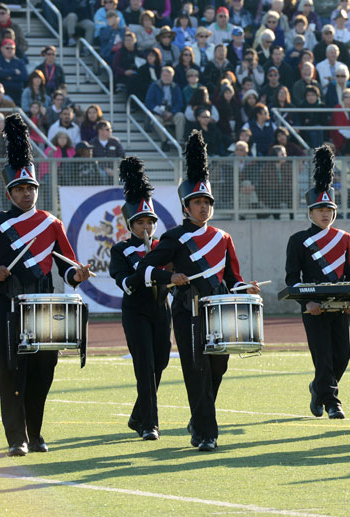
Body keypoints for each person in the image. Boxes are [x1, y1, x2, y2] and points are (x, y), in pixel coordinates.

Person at [136, 131, 259, 451]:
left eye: (207, 202)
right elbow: (145, 268)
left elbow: (233, 278)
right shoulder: (174, 237)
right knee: (195, 368)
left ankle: (199, 417)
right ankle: (206, 432)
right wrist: (170, 277)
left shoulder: (223, 238)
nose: (203, 207)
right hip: (188, 309)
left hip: (219, 310)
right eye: (197, 202)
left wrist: (246, 289)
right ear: (186, 206)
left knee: (218, 366)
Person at [0, 114, 92, 456]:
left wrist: (79, 275)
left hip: (47, 306)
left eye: (31, 188)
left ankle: (35, 431)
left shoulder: (51, 223)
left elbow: (67, 268)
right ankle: (17, 437)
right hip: (9, 305)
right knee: (13, 372)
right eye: (20, 189)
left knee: (45, 369)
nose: (27, 193)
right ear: (9, 191)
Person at [285, 146, 350, 421]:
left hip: (339, 307)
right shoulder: (298, 240)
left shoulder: (345, 238)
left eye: (329, 209)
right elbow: (293, 279)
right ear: (310, 212)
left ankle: (318, 388)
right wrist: (308, 302)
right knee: (323, 357)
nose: (326, 214)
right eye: (320, 209)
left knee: (342, 357)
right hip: (313, 307)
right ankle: (332, 402)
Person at [109, 157, 171, 441]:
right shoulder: (121, 250)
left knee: (160, 363)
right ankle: (150, 424)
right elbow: (126, 282)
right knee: (144, 365)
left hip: (162, 309)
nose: (146, 227)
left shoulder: (165, 247)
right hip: (136, 311)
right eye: (140, 222)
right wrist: (153, 272)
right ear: (130, 224)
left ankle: (137, 415)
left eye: (150, 221)